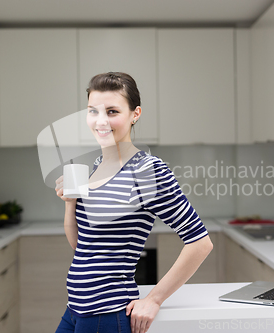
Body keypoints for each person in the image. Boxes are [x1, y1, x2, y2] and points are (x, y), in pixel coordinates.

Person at [54, 72, 213, 333]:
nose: (100, 121)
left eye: (112, 111)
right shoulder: (98, 165)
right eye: (93, 111)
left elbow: (200, 242)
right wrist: (70, 203)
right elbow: (80, 245)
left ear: (135, 114)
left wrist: (154, 298)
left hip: (106, 314)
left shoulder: (147, 170)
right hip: (75, 309)